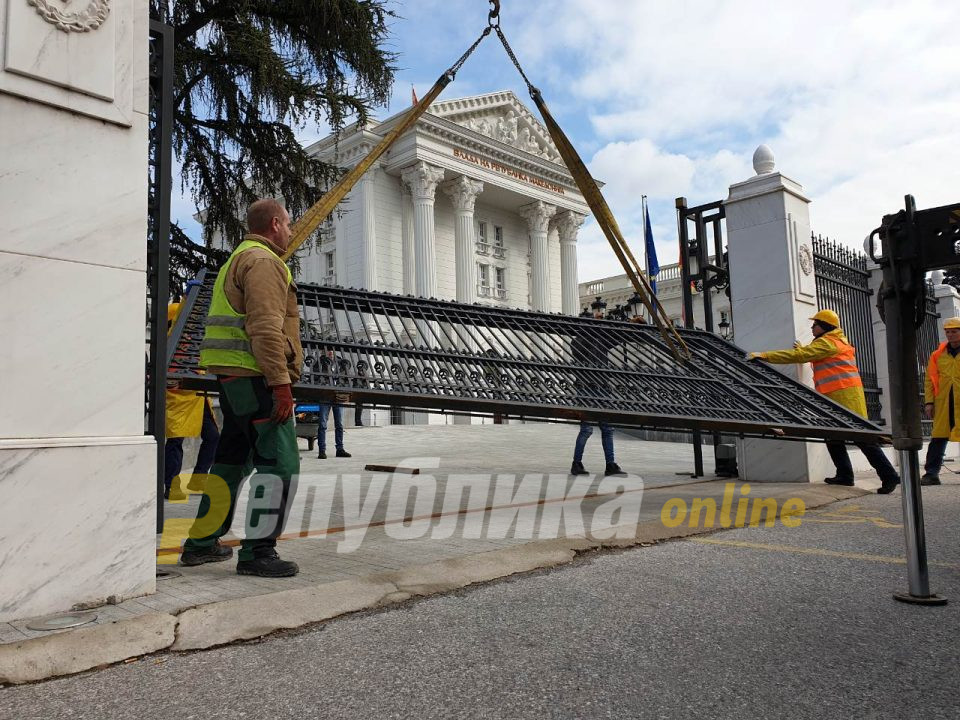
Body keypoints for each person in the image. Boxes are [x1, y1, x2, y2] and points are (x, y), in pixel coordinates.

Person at [179, 198, 303, 577]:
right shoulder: (265, 263)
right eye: (289, 224)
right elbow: (265, 328)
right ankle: (258, 553)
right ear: (276, 224)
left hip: (235, 379)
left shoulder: (240, 257)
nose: (292, 231)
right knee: (280, 465)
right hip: (256, 378)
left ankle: (201, 543)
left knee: (232, 461)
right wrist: (281, 384)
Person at [747, 309, 900, 494]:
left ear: (825, 326)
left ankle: (889, 476)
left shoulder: (828, 343)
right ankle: (844, 475)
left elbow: (801, 356)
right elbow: (811, 355)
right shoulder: (832, 341)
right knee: (833, 436)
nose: (812, 327)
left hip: (844, 396)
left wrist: (765, 355)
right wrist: (803, 350)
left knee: (863, 439)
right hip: (839, 396)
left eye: (815, 325)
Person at [164, 301, 220, 501]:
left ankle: (198, 478)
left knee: (213, 436)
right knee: (175, 441)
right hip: (177, 399)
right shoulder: (168, 344)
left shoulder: (192, 341)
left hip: (197, 398)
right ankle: (171, 485)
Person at [569, 303, 628, 477]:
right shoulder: (578, 341)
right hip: (587, 388)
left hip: (602, 387)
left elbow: (617, 338)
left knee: (607, 428)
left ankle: (610, 464)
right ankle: (577, 463)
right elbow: (581, 347)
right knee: (587, 429)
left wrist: (622, 322)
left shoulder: (599, 338)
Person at [920, 316, 960, 486]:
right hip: (943, 402)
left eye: (954, 332)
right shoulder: (937, 355)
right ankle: (931, 473)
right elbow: (930, 379)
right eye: (948, 332)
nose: (950, 335)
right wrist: (929, 402)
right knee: (938, 437)